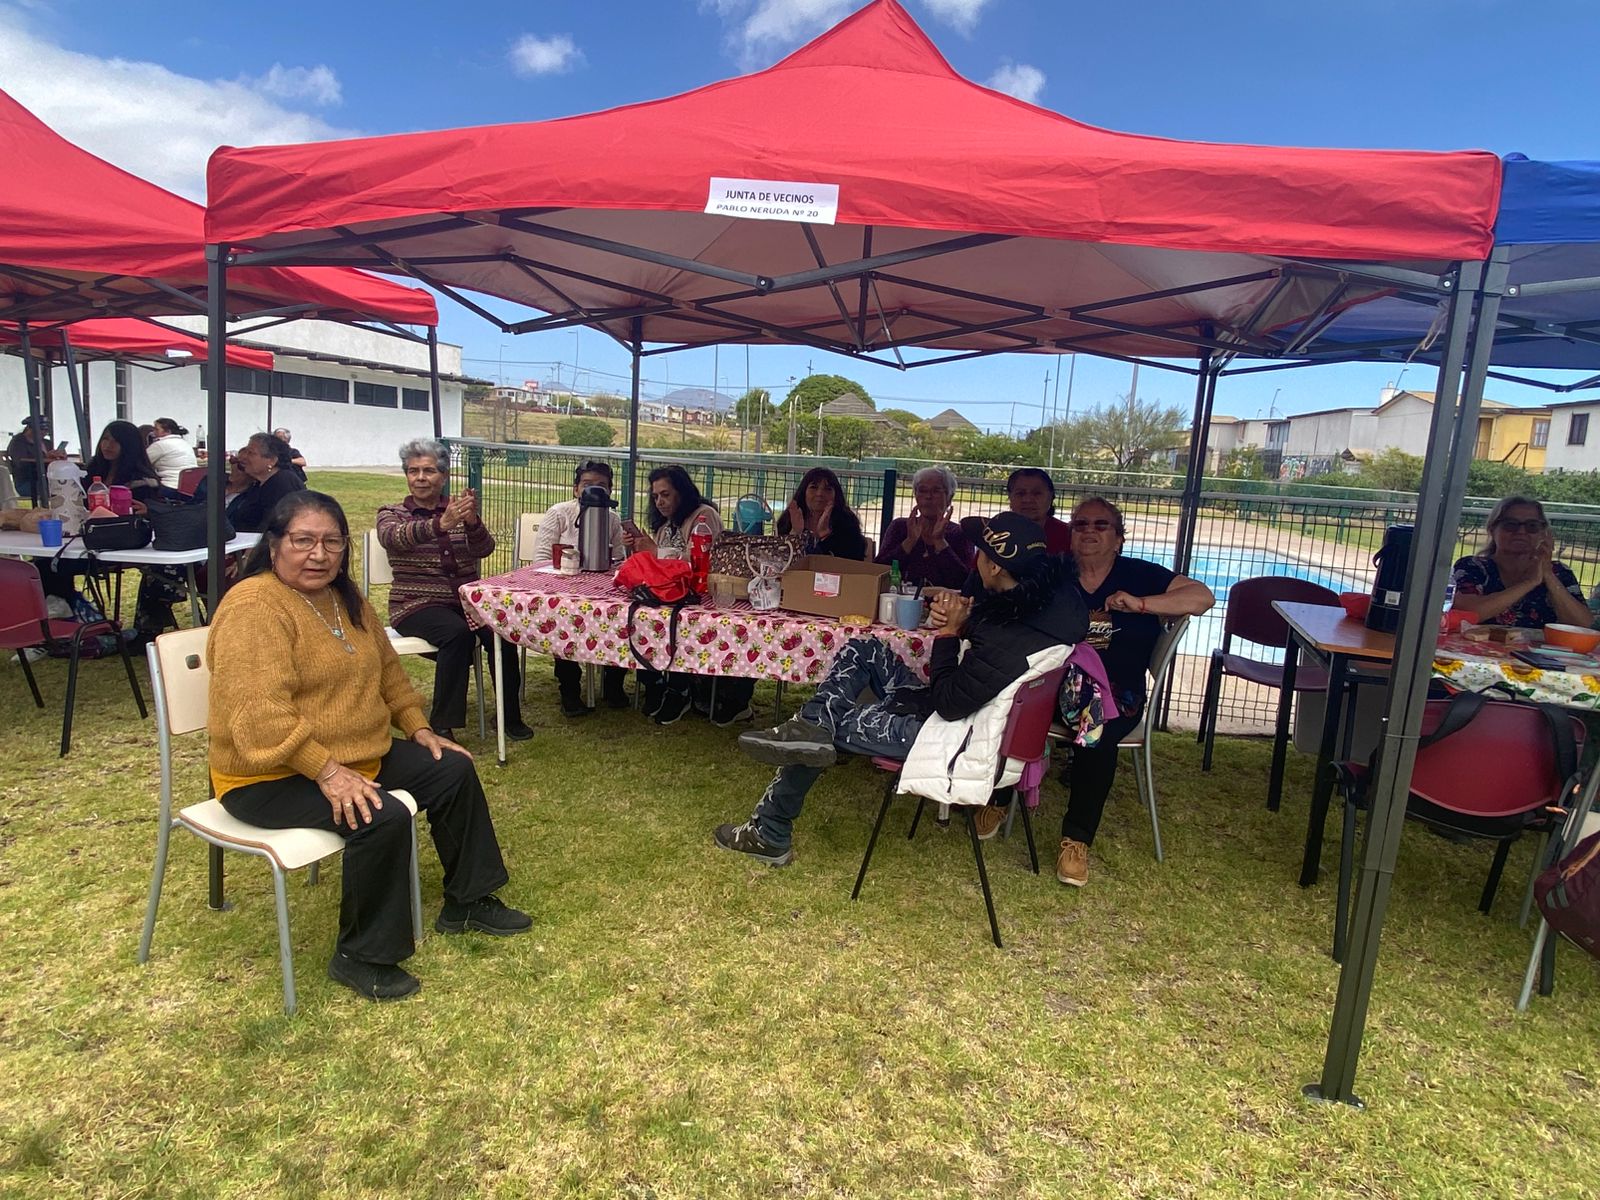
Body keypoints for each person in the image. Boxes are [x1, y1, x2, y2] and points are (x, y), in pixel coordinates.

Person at [207, 490, 530, 1002]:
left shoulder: (344, 597)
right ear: (274, 545)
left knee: (451, 769)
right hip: (268, 774)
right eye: (303, 541)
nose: (319, 554)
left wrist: (418, 727)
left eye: (331, 542)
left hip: (355, 754)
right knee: (380, 815)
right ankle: (361, 955)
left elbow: (387, 671)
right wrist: (327, 771)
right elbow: (259, 717)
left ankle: (468, 902)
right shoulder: (253, 606)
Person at [715, 512, 1085, 867]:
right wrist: (966, 622)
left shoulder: (1008, 637)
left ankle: (769, 830)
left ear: (996, 567)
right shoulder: (1044, 611)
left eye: (982, 554)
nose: (976, 560)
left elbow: (949, 702)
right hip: (967, 718)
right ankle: (810, 726)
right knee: (864, 648)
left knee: (826, 727)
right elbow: (992, 648)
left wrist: (948, 634)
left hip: (954, 738)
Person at [1054, 497, 1214, 888]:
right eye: (1080, 525)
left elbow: (1202, 598)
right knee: (1010, 700)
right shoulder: (1055, 573)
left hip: (1117, 694)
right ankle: (999, 801)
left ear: (1119, 538)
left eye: (1101, 525)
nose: (1089, 531)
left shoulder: (1139, 575)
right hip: (1057, 686)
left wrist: (1142, 605)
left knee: (1096, 727)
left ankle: (1076, 839)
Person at [377, 438, 532, 742]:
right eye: (413, 471)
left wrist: (472, 522)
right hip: (414, 604)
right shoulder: (392, 513)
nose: (420, 478)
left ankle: (508, 714)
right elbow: (392, 538)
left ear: (443, 476)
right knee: (456, 633)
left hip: (464, 602)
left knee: (502, 630)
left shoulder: (457, 511)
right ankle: (442, 726)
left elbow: (484, 549)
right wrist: (441, 524)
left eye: (429, 471)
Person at [622, 465, 754, 725]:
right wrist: (637, 548)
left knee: (678, 626)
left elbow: (702, 561)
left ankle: (680, 689)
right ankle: (656, 684)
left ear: (682, 492)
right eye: (655, 496)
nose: (659, 502)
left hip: (702, 596)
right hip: (669, 595)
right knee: (640, 620)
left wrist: (655, 551)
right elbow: (657, 568)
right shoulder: (666, 524)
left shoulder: (704, 516)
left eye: (665, 494)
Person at [531, 459, 630, 716]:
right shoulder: (559, 513)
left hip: (602, 590)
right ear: (576, 489)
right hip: (564, 588)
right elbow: (541, 558)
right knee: (563, 617)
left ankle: (613, 681)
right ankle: (569, 687)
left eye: (601, 485)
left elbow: (619, 559)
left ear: (610, 491)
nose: (594, 490)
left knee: (621, 615)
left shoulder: (612, 518)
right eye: (587, 484)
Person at [1450, 495, 1590, 629]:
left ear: (1543, 533)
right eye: (1510, 525)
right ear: (1492, 530)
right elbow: (1467, 614)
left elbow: (1584, 626)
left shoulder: (1560, 572)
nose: (1521, 531)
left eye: (1532, 526)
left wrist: (1548, 576)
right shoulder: (1473, 566)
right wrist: (1530, 582)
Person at [875, 465, 974, 589]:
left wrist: (940, 542)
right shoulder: (900, 527)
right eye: (922, 490)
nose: (928, 497)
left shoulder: (960, 533)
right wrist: (909, 541)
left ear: (949, 497)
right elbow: (877, 571)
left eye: (936, 491)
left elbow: (964, 582)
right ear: (915, 495)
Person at [775, 466, 868, 560]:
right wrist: (795, 533)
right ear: (804, 492)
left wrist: (825, 537)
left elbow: (853, 561)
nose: (819, 493)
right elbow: (777, 560)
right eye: (814, 487)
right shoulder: (789, 519)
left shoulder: (848, 523)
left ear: (836, 495)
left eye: (828, 489)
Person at [228, 432, 306, 532]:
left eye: (251, 453)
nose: (243, 457)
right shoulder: (258, 483)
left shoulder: (283, 483)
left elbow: (277, 527)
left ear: (272, 461)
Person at [1005, 467, 1072, 555]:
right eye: (1020, 493)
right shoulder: (994, 533)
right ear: (1010, 497)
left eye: (1037, 493)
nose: (1028, 500)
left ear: (1051, 497)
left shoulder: (1068, 536)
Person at [145, 418, 198, 488]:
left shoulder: (160, 445)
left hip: (171, 486)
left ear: (167, 431)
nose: (153, 432)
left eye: (156, 429)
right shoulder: (184, 443)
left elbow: (143, 461)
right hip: (190, 486)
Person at [6, 416, 47, 499]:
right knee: (54, 487)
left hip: (46, 479)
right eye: (41, 429)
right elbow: (21, 462)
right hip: (27, 481)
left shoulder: (46, 442)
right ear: (29, 428)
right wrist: (45, 456)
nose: (44, 432)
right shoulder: (18, 442)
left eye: (46, 429)